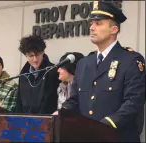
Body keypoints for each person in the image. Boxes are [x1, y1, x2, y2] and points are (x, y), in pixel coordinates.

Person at [62, 1, 145, 142]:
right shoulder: (84, 63)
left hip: (117, 137)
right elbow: (75, 100)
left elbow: (134, 101)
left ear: (114, 29)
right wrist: (59, 115)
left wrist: (105, 125)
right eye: (91, 23)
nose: (92, 27)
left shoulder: (131, 60)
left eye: (98, 23)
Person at [16, 35, 59, 114]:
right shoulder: (23, 75)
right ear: (26, 55)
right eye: (31, 56)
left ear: (43, 52)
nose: (35, 59)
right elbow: (19, 102)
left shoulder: (52, 71)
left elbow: (51, 101)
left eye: (38, 54)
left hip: (46, 121)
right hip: (25, 122)